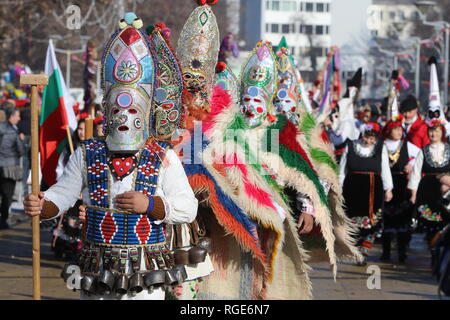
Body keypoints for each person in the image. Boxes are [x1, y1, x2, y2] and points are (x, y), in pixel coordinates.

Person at [23, 13, 198, 300]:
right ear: (107, 110)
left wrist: (151, 204)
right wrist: (43, 204)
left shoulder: (163, 156)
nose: (124, 119)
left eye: (132, 111)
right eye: (117, 111)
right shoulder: (87, 152)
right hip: (97, 267)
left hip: (144, 269)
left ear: (146, 113)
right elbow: (63, 194)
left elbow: (187, 208)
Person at [340, 123, 393, 264]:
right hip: (352, 190)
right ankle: (357, 249)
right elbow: (342, 170)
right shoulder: (351, 146)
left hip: (373, 190)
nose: (369, 141)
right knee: (353, 222)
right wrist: (338, 188)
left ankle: (364, 251)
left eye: (372, 138)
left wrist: (388, 189)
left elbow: (385, 168)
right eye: (367, 136)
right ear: (362, 134)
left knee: (372, 222)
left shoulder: (381, 148)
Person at [380, 108, 420, 263]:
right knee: (386, 220)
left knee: (403, 219)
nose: (398, 131)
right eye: (395, 129)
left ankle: (402, 252)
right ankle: (386, 251)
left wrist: (410, 164)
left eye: (400, 129)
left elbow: (420, 156)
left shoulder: (407, 146)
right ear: (389, 130)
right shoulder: (381, 146)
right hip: (386, 186)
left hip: (402, 185)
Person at [0, 107, 25, 229]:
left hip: (3, 164)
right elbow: (21, 150)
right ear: (11, 116)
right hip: (10, 167)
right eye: (18, 115)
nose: (19, 118)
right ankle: (3, 220)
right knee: (7, 195)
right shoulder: (13, 131)